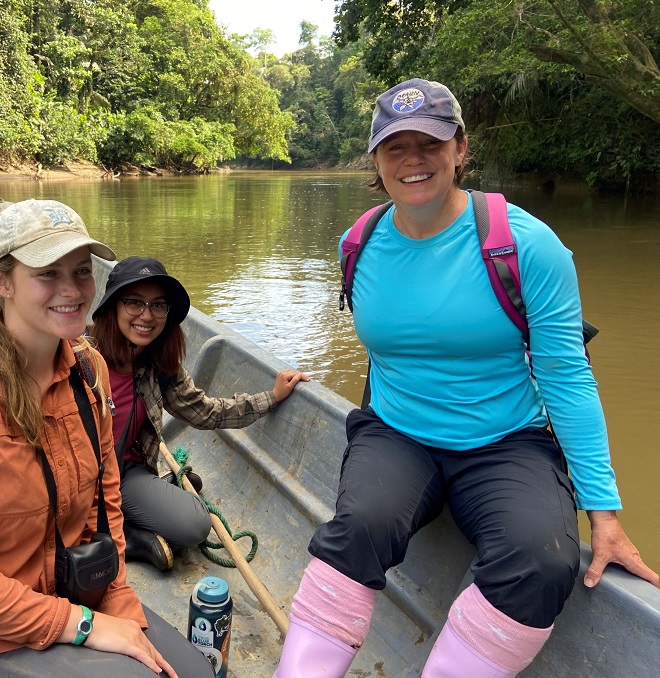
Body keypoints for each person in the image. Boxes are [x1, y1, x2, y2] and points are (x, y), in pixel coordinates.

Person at [273, 79, 660, 677]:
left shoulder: (526, 246)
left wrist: (603, 514)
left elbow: (566, 378)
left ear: (460, 147)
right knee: (359, 527)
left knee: (541, 560)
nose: (414, 160)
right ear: (375, 160)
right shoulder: (359, 242)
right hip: (398, 433)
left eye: (429, 142)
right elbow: (390, 355)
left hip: (508, 440)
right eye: (395, 146)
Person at [0, 199, 213, 678]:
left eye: (81, 272)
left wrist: (117, 597)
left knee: (194, 673)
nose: (72, 290)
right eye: (47, 273)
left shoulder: (87, 369)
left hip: (64, 591)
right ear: (1, 281)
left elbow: (108, 499)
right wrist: (83, 625)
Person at [87, 256, 309, 571]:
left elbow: (205, 412)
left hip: (124, 476)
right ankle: (128, 537)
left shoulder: (158, 365)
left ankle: (123, 521)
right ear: (113, 307)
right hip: (75, 481)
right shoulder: (79, 357)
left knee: (194, 524)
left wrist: (270, 398)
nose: (146, 316)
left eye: (158, 306)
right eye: (134, 303)